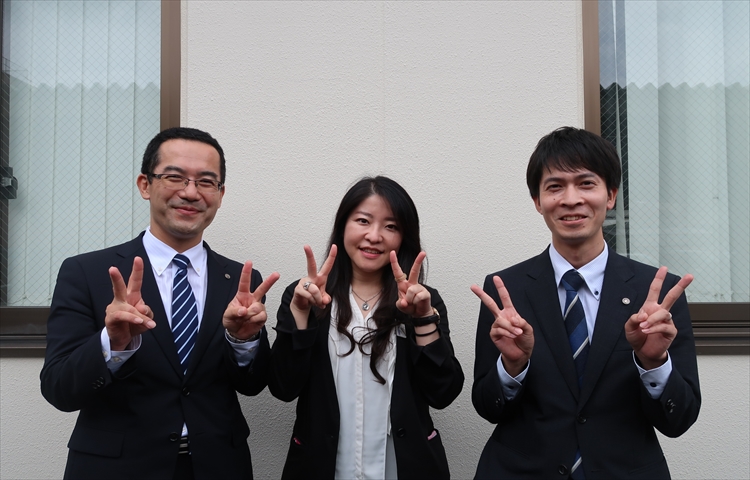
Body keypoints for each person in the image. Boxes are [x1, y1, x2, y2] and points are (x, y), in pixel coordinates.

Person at [40, 127, 279, 480]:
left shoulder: (241, 280)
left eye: (206, 182)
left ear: (220, 194)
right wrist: (113, 344)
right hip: (116, 469)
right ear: (145, 185)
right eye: (175, 177)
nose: (190, 192)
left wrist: (242, 341)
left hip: (218, 466)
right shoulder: (87, 273)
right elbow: (59, 389)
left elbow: (252, 384)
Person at [471, 127, 700, 479]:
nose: (571, 199)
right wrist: (512, 367)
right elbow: (488, 408)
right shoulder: (506, 289)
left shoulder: (657, 293)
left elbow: (679, 419)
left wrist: (653, 362)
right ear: (537, 201)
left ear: (611, 195)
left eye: (586, 184)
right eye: (555, 187)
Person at [269, 176, 464, 479]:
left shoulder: (423, 301)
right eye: (363, 221)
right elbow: (283, 387)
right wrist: (300, 312)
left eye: (391, 226)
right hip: (322, 466)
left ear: (404, 237)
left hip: (403, 467)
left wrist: (423, 319)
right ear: (343, 226)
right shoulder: (306, 297)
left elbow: (443, 393)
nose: (374, 236)